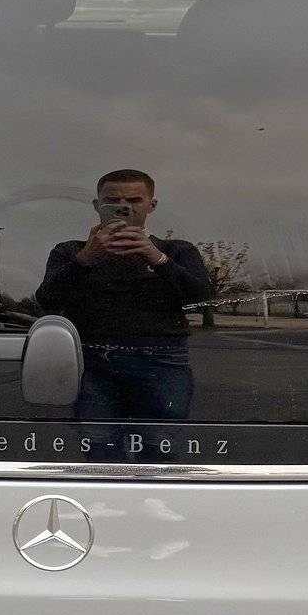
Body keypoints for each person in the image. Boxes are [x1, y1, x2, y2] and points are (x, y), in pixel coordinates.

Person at [36, 169, 212, 427]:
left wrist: (157, 258)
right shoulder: (70, 251)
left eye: (134, 200)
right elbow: (48, 299)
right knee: (97, 442)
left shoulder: (177, 250)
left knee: (160, 442)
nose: (123, 207)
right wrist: (85, 258)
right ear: (97, 205)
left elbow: (202, 298)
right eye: (112, 201)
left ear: (151, 205)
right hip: (92, 361)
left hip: (163, 360)